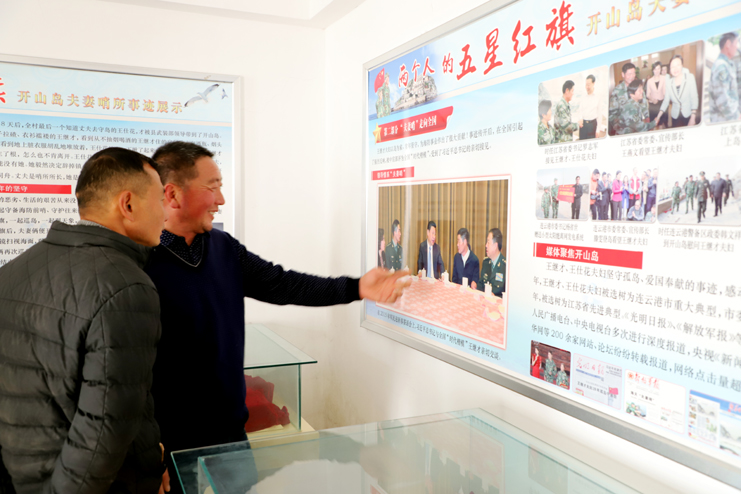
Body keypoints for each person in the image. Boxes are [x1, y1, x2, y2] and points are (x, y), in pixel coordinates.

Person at [145, 142, 410, 463]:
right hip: (169, 443)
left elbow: (284, 285)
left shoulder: (223, 248)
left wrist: (356, 288)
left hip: (231, 433)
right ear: (172, 194)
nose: (221, 200)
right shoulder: (140, 261)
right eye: (212, 188)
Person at [0, 148, 167, 493]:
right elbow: (104, 428)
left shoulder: (14, 270)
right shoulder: (126, 286)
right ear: (128, 204)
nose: (165, 214)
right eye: (161, 200)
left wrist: (148, 453)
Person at [656, 55, 699, 127]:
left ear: (682, 66)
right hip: (675, 116)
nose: (675, 69)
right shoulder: (669, 83)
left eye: (678, 65)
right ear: (670, 69)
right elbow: (666, 101)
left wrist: (693, 117)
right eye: (672, 67)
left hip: (688, 114)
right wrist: (658, 117)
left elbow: (694, 98)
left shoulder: (690, 77)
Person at [707, 32, 740, 123]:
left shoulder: (727, 64)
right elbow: (722, 100)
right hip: (723, 121)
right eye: (736, 43)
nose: (737, 47)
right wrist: (737, 117)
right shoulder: (721, 66)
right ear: (728, 44)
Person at [610, 62, 647, 134]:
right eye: (629, 74)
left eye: (633, 73)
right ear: (623, 75)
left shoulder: (639, 88)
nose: (632, 76)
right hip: (623, 131)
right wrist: (619, 126)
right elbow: (612, 113)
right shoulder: (617, 91)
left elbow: (644, 107)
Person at [474, 228, 506, 296]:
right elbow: (481, 285)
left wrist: (496, 297)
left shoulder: (505, 266)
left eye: (488, 242)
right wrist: (475, 287)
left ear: (495, 245)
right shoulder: (486, 263)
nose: (486, 245)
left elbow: (508, 295)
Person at [576, 74, 606, 139]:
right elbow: (580, 110)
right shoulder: (583, 95)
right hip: (583, 125)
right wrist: (580, 119)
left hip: (592, 125)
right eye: (586, 85)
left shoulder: (598, 96)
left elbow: (599, 114)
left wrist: (598, 130)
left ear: (593, 83)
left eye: (589, 85)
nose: (587, 87)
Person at [646, 61, 667, 128]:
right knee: (653, 124)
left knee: (661, 124)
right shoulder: (649, 81)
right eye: (655, 69)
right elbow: (647, 94)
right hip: (653, 104)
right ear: (653, 70)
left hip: (661, 103)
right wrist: (653, 99)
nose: (657, 71)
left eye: (658, 69)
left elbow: (664, 92)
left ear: (660, 69)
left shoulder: (663, 78)